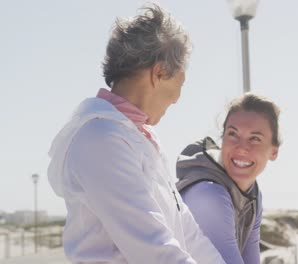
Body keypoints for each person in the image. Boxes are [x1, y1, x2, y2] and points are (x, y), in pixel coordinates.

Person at [47, 3, 225, 263]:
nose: (177, 98)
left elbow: (189, 233)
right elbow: (153, 249)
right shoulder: (100, 138)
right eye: (180, 82)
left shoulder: (139, 136)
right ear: (159, 73)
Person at [176, 93, 281, 264]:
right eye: (233, 134)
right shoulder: (208, 194)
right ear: (222, 139)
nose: (242, 148)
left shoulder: (252, 194)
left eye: (255, 138)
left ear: (274, 151)